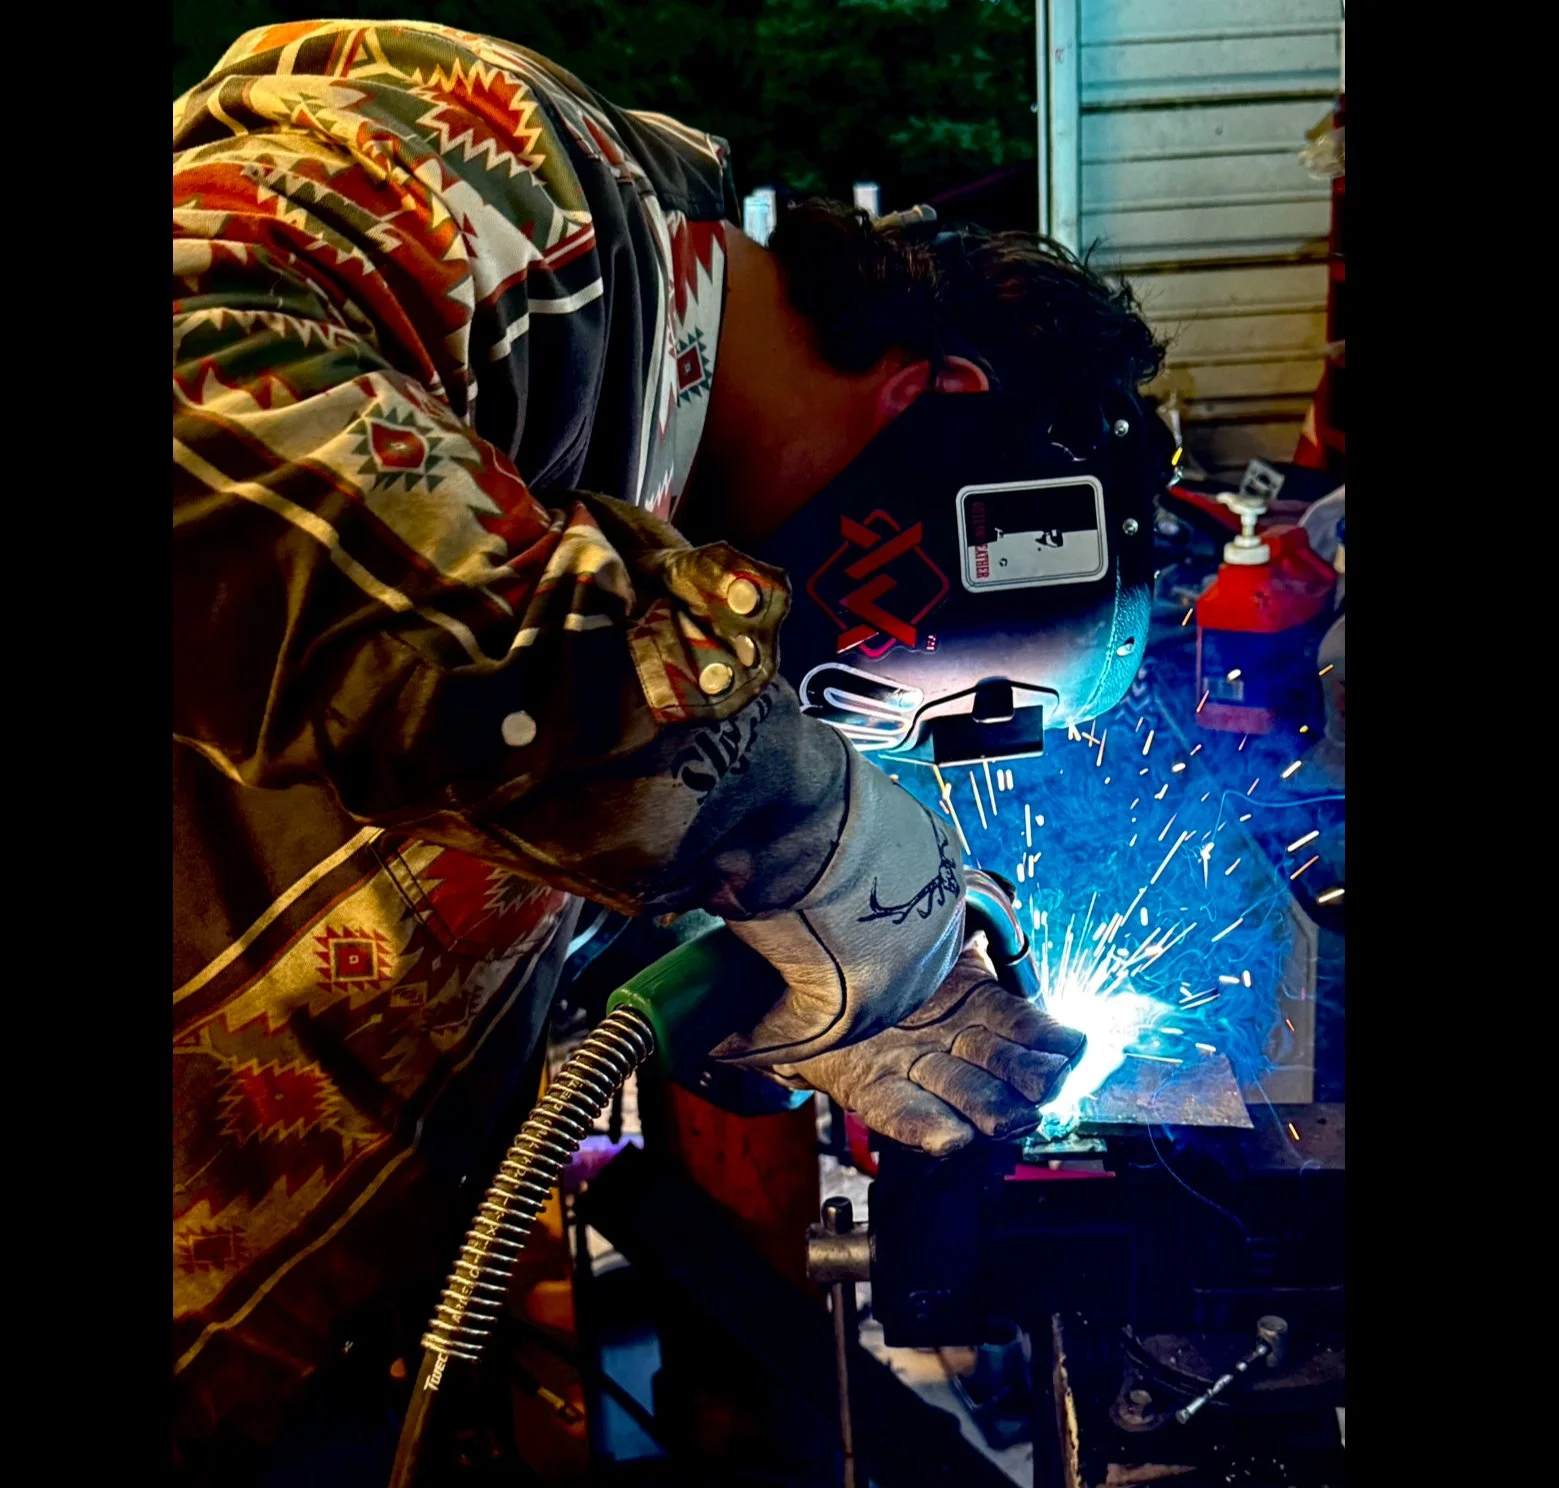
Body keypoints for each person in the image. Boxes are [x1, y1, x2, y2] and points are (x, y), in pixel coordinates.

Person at [173, 19, 1164, 1481]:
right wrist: (805, 835)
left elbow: (482, 763)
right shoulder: (500, 165)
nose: (879, 742)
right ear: (940, 409)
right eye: (940, 700)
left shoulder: (652, 520)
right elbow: (205, 396)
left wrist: (751, 1003)